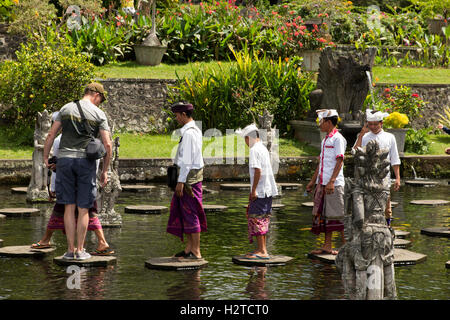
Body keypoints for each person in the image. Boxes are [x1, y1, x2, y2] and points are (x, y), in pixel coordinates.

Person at [43, 82, 112, 260]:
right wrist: (104, 171)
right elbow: (107, 144)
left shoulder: (66, 108)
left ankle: (69, 250)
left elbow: (51, 134)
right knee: (83, 208)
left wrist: (45, 157)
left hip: (65, 161)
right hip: (85, 162)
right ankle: (80, 251)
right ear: (96, 95)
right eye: (101, 100)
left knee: (68, 207)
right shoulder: (99, 113)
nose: (100, 103)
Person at [166, 101, 206, 260]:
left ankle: (196, 250)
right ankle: (189, 248)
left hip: (189, 178)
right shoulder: (191, 131)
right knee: (185, 211)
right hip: (188, 175)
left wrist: (181, 182)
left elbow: (187, 159)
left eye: (177, 115)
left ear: (184, 114)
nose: (176, 118)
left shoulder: (189, 133)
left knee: (191, 212)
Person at [306, 109, 346, 255]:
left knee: (335, 215)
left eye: (321, 122)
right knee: (324, 215)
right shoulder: (325, 140)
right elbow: (321, 162)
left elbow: (340, 159)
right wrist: (312, 181)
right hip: (322, 182)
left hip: (333, 184)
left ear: (329, 122)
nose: (320, 125)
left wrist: (332, 181)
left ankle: (345, 246)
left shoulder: (338, 139)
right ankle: (327, 246)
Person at [353, 109, 401, 226]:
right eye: (370, 124)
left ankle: (387, 227)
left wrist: (398, 178)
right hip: (366, 178)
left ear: (381, 123)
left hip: (384, 178)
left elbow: (394, 158)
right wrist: (361, 135)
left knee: (387, 208)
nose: (373, 127)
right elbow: (355, 151)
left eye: (375, 124)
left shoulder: (389, 137)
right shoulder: (364, 137)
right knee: (367, 207)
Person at [237, 124, 278, 259]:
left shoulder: (255, 150)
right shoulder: (263, 148)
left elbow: (257, 170)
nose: (246, 143)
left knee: (257, 218)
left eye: (245, 139)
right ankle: (262, 248)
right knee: (263, 218)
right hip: (267, 189)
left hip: (260, 190)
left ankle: (262, 251)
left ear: (249, 138)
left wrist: (253, 190)